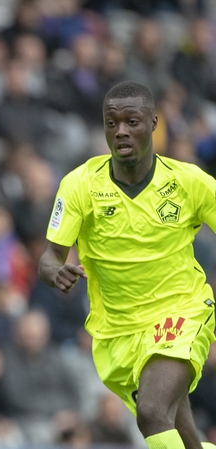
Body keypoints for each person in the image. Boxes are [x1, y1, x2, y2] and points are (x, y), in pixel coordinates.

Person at [38, 80, 216, 449]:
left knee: (152, 411)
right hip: (116, 332)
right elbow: (48, 258)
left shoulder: (188, 182)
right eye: (111, 122)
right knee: (181, 435)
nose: (120, 130)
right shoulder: (79, 186)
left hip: (181, 310)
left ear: (153, 123)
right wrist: (57, 272)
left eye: (131, 121)